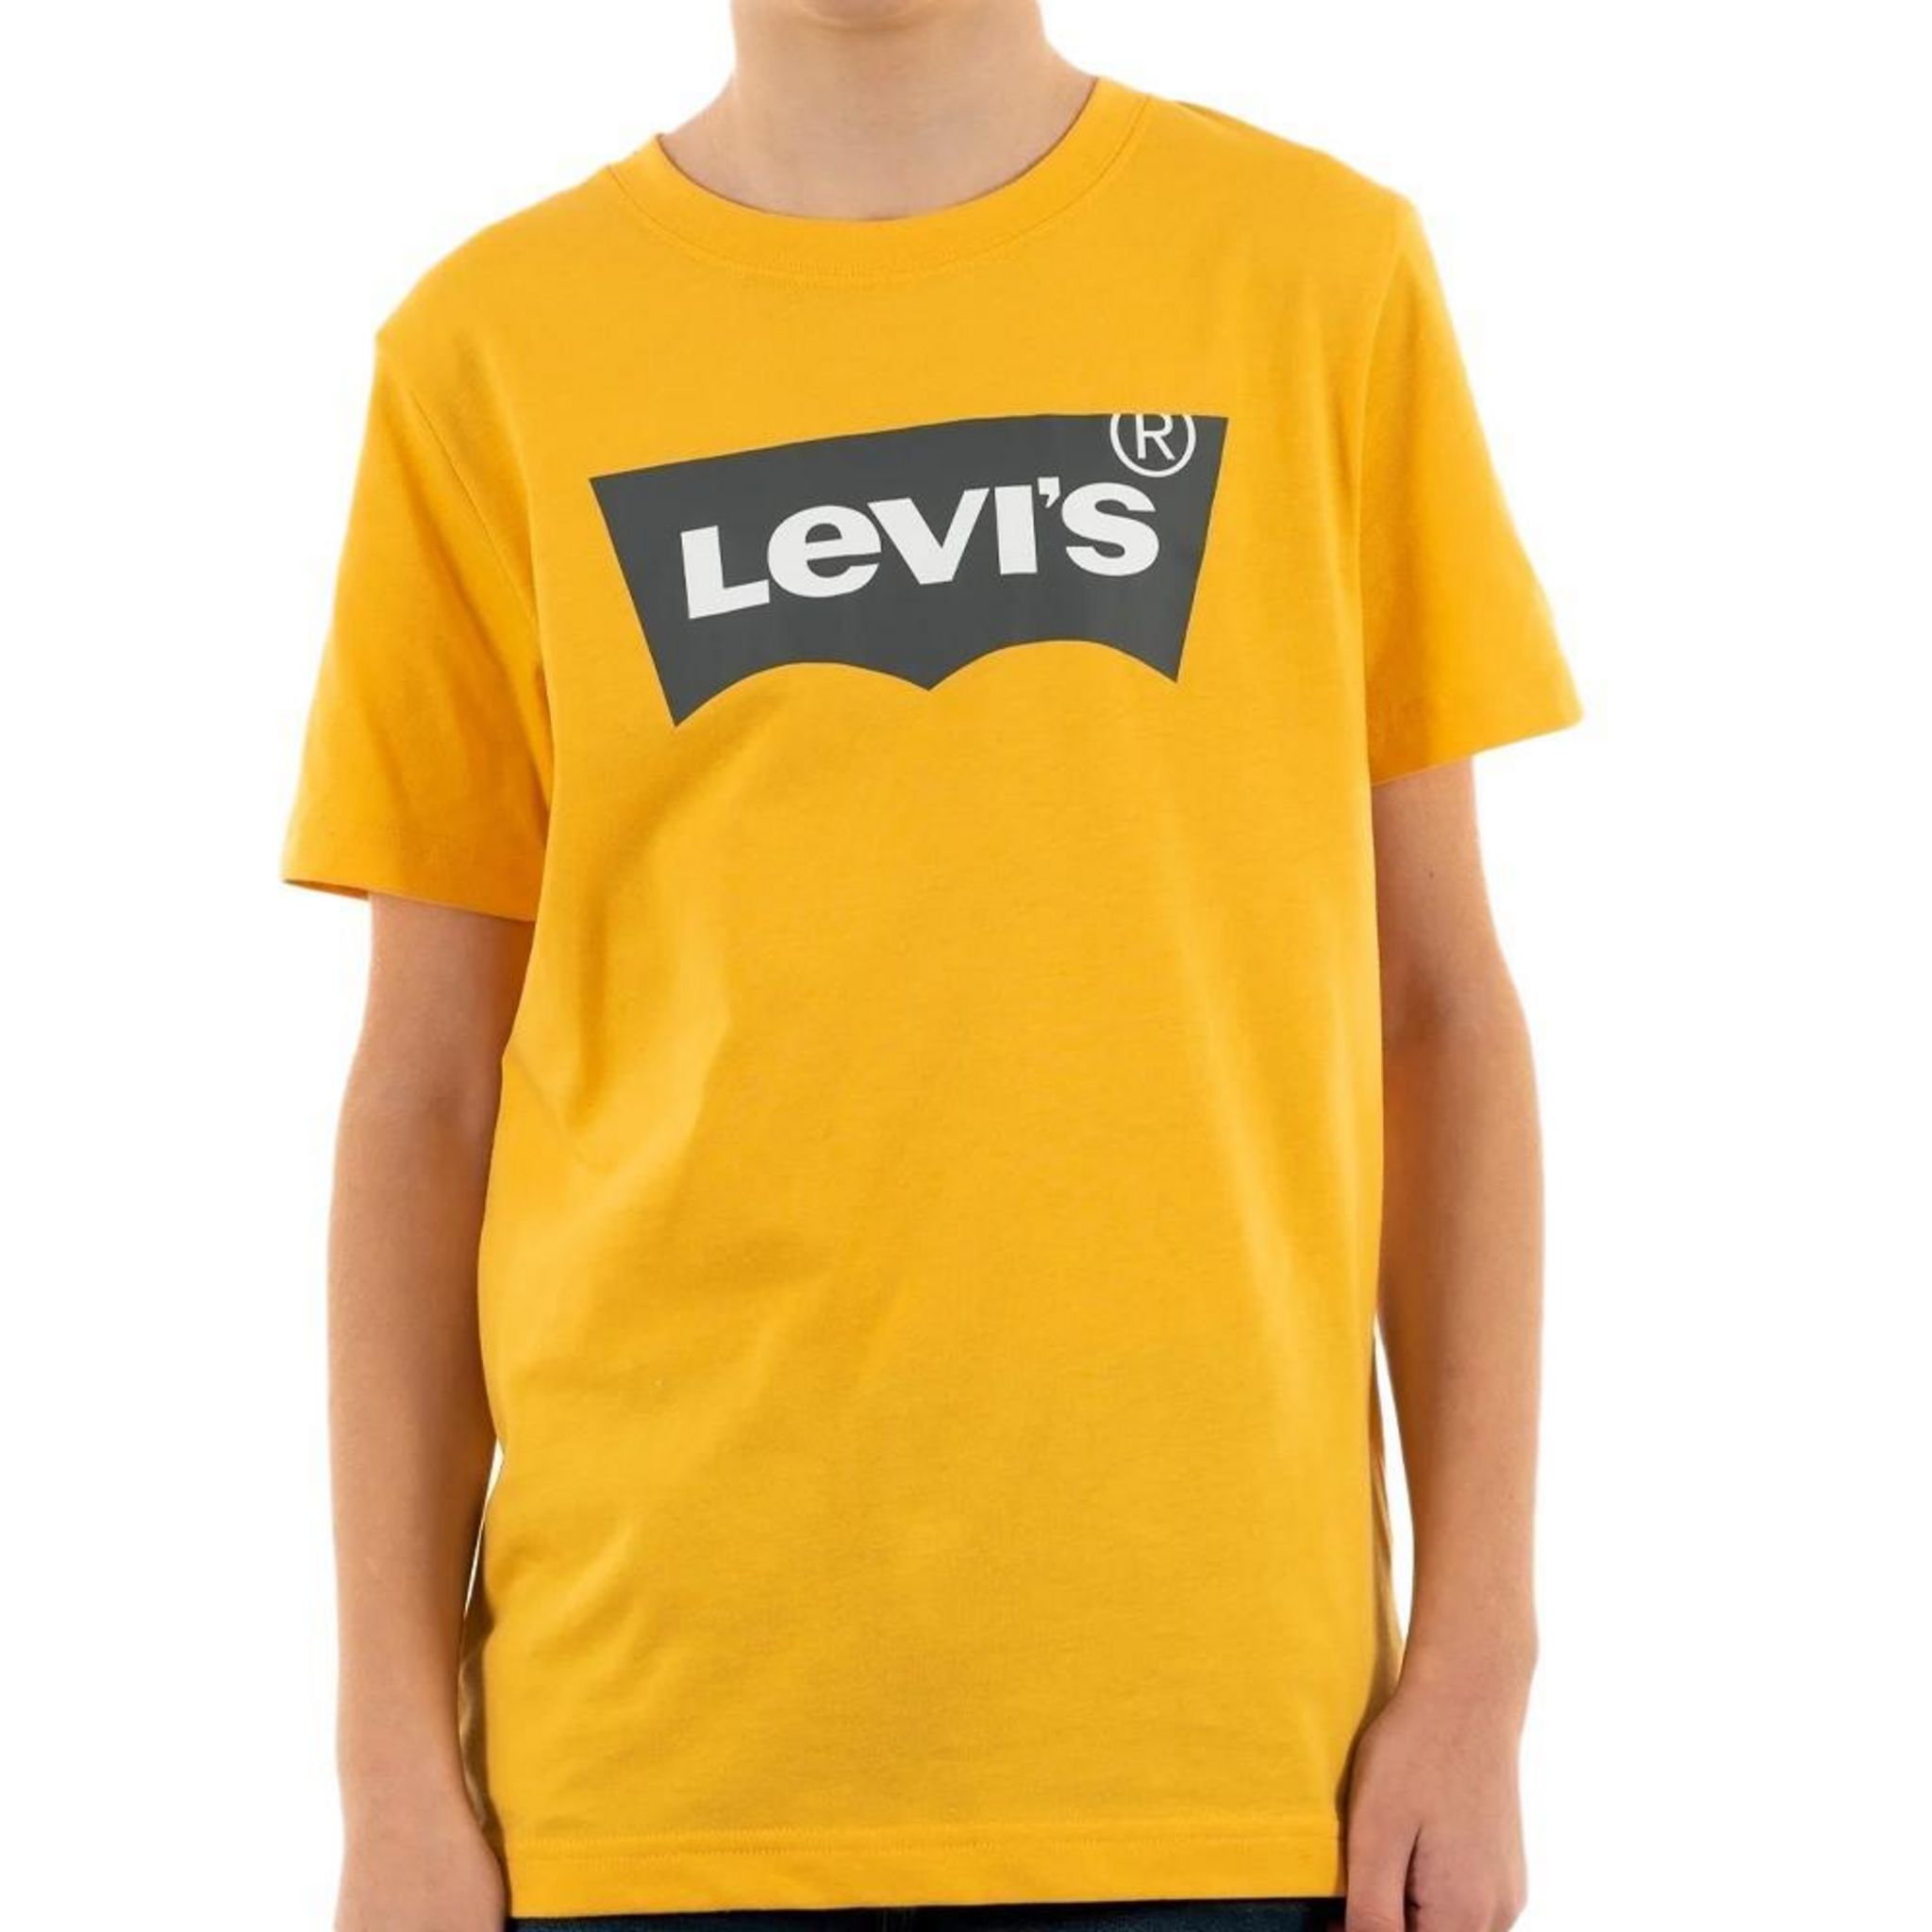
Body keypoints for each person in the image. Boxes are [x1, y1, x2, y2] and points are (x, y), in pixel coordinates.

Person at [284, 2, 1579, 1928]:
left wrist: (1477, 1670)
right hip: (648, 1779)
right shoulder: (490, 351)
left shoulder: (1317, 279)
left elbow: (1436, 1012)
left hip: (1217, 1768)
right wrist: (388, 1763)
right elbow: (427, 1097)